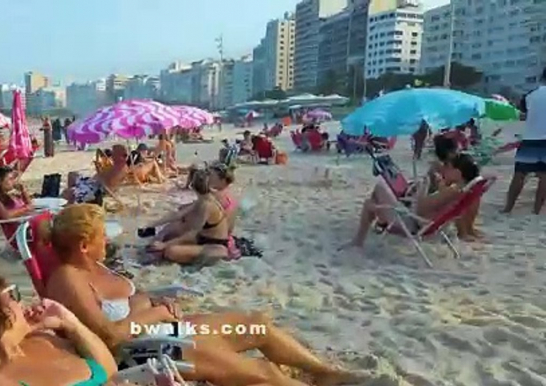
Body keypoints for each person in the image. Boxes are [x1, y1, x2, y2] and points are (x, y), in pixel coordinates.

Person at [42, 204, 367, 386]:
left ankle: (327, 374)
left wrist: (151, 301)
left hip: (165, 330)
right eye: (102, 237)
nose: (107, 242)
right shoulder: (67, 278)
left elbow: (128, 303)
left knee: (257, 326)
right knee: (263, 373)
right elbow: (109, 337)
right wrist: (154, 313)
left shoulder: (96, 266)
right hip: (144, 351)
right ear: (84, 245)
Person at [0, 266, 120, 386]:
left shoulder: (44, 339)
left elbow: (110, 371)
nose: (21, 303)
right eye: (12, 296)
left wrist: (71, 324)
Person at [348, 153, 481, 247]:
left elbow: (420, 208)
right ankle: (381, 222)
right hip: (425, 223)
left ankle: (359, 241)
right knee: (380, 197)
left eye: (448, 166)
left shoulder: (450, 192)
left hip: (412, 225)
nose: (444, 169)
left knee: (376, 193)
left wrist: (424, 185)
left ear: (458, 173)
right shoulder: (459, 190)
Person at [144, 163, 237, 246]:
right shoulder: (226, 195)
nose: (208, 177)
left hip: (213, 239)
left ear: (222, 180)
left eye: (211, 175)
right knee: (178, 222)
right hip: (221, 236)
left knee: (173, 228)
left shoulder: (216, 198)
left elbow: (191, 225)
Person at [503, 67, 546, 214]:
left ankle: (508, 208)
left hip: (530, 138)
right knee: (544, 177)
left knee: (519, 174)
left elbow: (525, 113)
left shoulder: (530, 95)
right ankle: (536, 210)